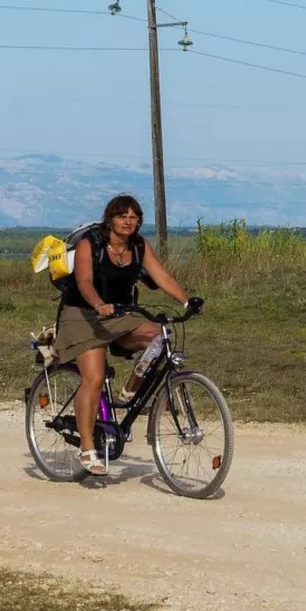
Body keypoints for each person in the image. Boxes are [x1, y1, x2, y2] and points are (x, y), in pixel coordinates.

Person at [52, 194, 198, 476]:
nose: (129, 221)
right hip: (83, 314)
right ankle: (87, 447)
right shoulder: (90, 243)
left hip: (120, 313)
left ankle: (131, 387)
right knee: (94, 379)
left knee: (160, 336)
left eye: (134, 217)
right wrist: (98, 304)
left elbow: (161, 276)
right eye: (122, 216)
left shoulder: (139, 246)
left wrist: (186, 301)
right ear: (110, 219)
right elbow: (84, 281)